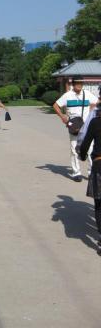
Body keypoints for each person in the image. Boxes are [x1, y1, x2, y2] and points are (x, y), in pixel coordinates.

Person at [53, 78, 98, 181]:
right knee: (74, 150)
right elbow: (55, 106)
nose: (79, 85)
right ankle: (76, 173)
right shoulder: (67, 95)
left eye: (81, 83)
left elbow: (97, 102)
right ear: (73, 84)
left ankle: (91, 172)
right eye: (77, 83)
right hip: (74, 126)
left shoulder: (87, 94)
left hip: (86, 126)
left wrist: (92, 112)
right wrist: (62, 116)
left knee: (90, 149)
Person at [78, 103, 101, 255]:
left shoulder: (95, 121)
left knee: (99, 204)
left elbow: (85, 143)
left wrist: (82, 155)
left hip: (99, 165)